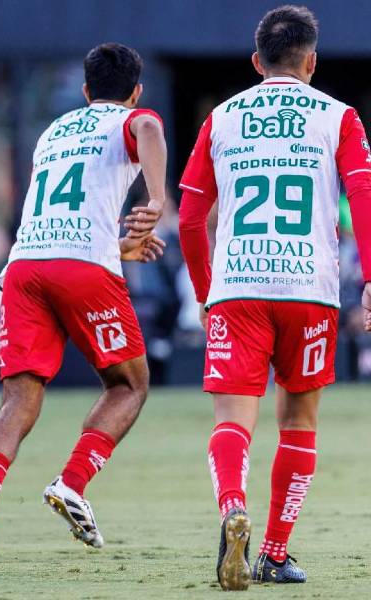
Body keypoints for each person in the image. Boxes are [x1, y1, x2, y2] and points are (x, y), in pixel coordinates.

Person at [178, 5, 371, 590]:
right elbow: (363, 199)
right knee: (299, 423)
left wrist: (206, 292)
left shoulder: (221, 118)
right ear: (311, 62)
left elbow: (189, 218)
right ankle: (273, 552)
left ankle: (233, 504)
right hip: (309, 289)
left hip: (238, 286)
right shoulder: (340, 117)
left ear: (256, 61)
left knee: (233, 421)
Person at [0, 43, 167, 558]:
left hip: (25, 266)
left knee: (17, 401)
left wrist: (118, 246)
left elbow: (66, 214)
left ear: (84, 90)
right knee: (129, 384)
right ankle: (73, 482)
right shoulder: (131, 118)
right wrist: (157, 199)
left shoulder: (54, 132)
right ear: (136, 92)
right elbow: (149, 128)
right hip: (82, 268)